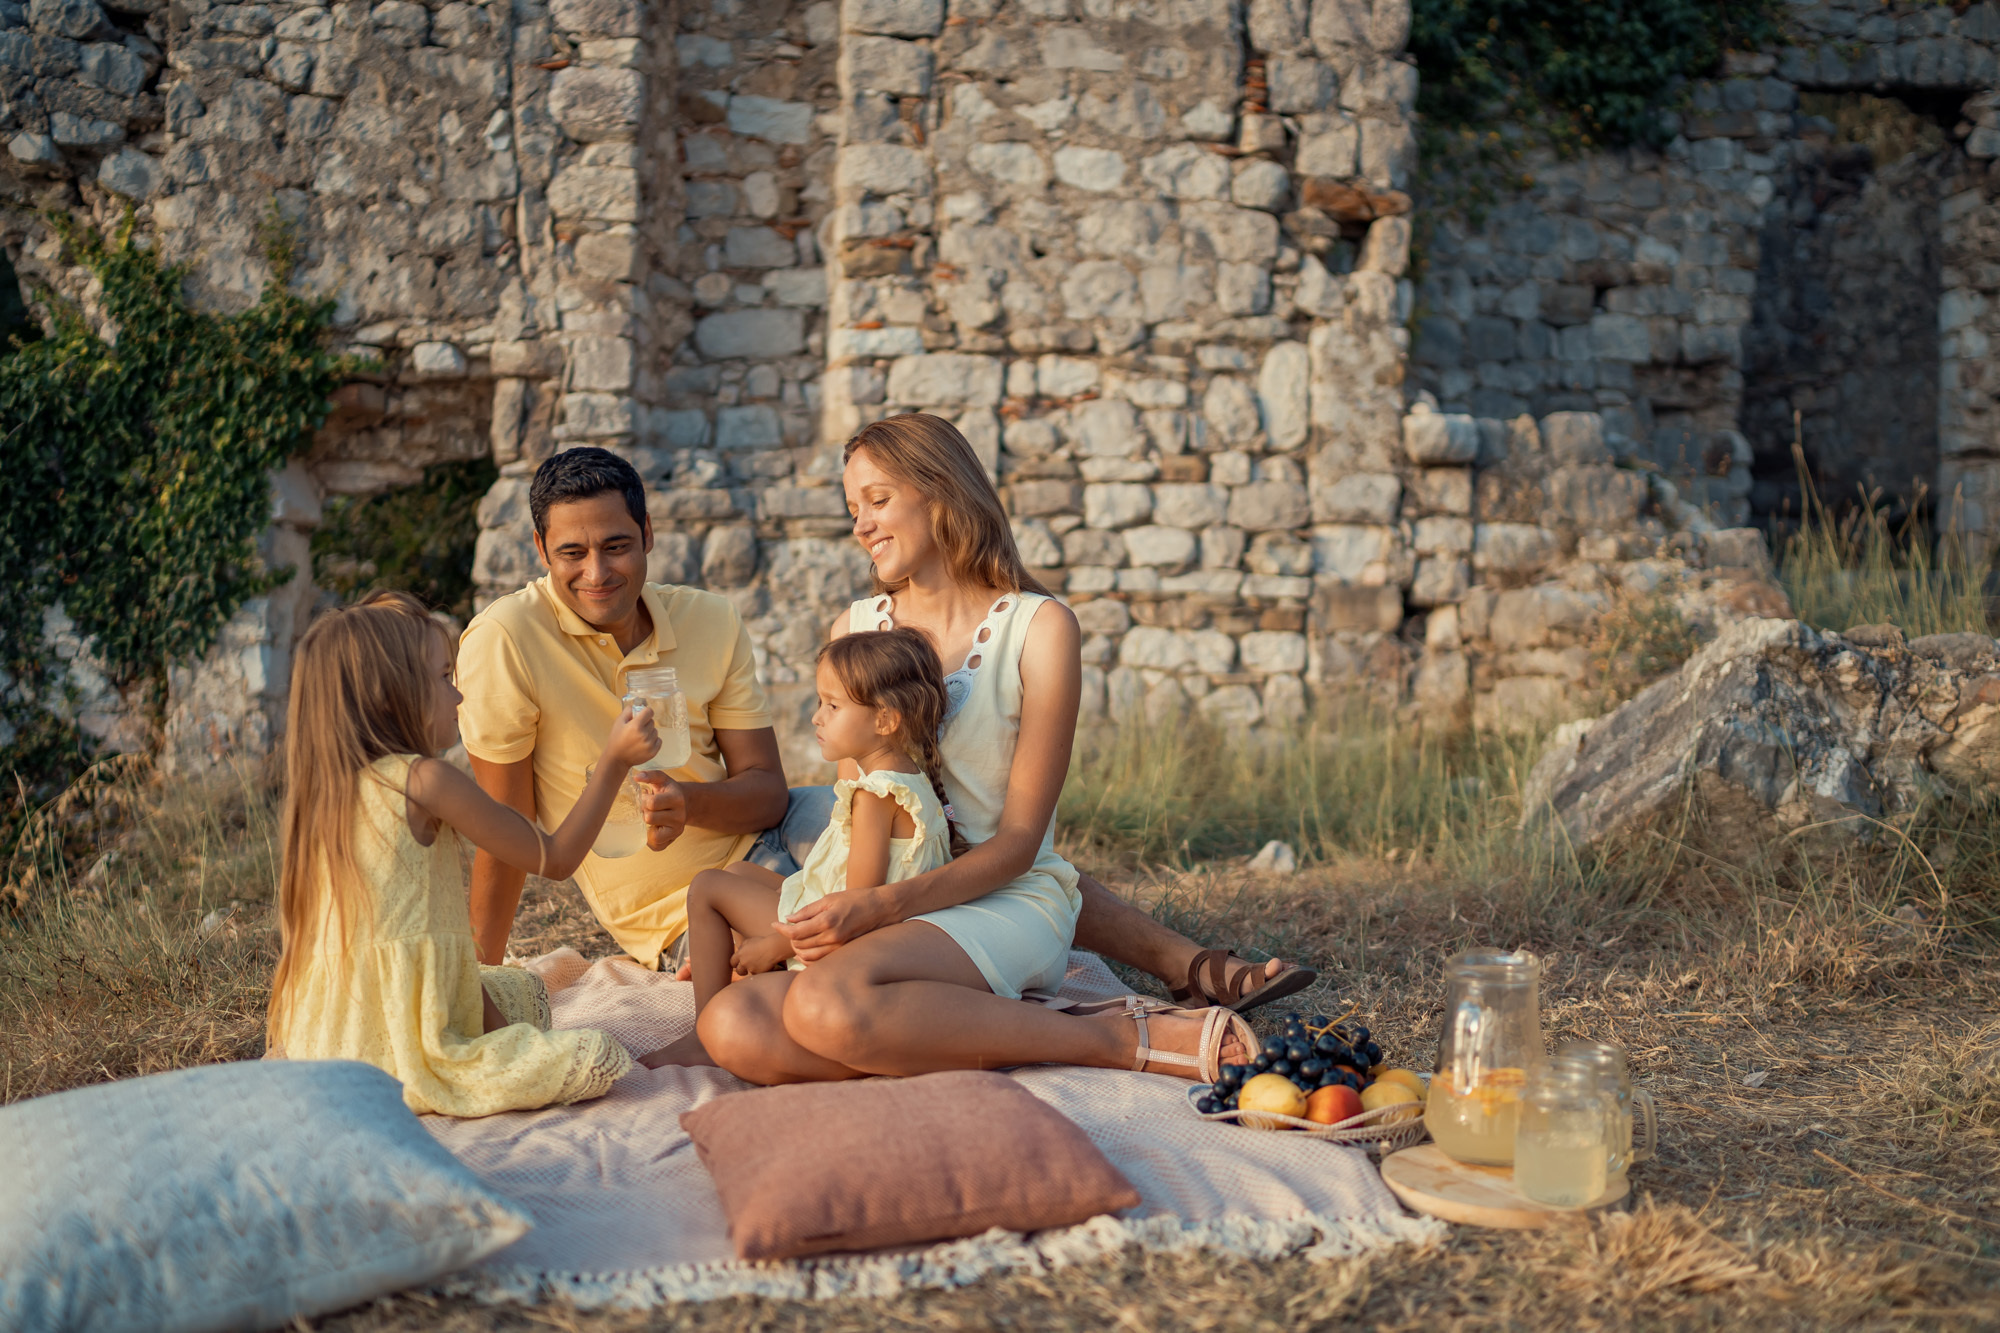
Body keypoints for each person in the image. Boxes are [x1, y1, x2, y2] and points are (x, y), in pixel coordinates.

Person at [457, 447, 1311, 1031]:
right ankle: (1085, 1003)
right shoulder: (505, 640)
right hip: (682, 897)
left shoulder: (707, 619)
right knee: (850, 933)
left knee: (962, 838)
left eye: (616, 545)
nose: (597, 571)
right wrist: (476, 977)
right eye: (571, 553)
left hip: (787, 825)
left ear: (648, 537)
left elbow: (767, 790)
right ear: (540, 550)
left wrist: (692, 800)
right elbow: (502, 833)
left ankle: (1187, 964)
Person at [691, 414, 1261, 1085]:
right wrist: (810, 921)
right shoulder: (857, 628)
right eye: (853, 509)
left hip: (1002, 899)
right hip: (887, 899)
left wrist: (878, 910)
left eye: (878, 500)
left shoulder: (1039, 628)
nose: (862, 525)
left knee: (824, 1004)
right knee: (733, 1025)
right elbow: (855, 813)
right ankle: (961, 1024)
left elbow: (1019, 842)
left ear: (940, 493)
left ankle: (1113, 1036)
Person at [267, 592, 660, 1117]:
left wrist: (505, 1031)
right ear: (392, 695)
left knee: (520, 991)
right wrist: (614, 761)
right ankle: (438, 1069)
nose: (457, 696)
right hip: (404, 1041)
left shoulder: (328, 795)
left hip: (329, 1034)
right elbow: (556, 858)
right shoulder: (425, 781)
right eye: (442, 677)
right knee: (596, 1056)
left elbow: (422, 943)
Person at [681, 628, 959, 1017]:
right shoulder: (908, 777)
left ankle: (709, 1021)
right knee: (740, 872)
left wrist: (776, 945)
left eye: (832, 706)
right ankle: (751, 971)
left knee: (707, 887)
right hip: (851, 920)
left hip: (849, 942)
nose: (816, 717)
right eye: (819, 703)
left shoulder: (875, 796)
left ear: (885, 720)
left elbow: (854, 912)